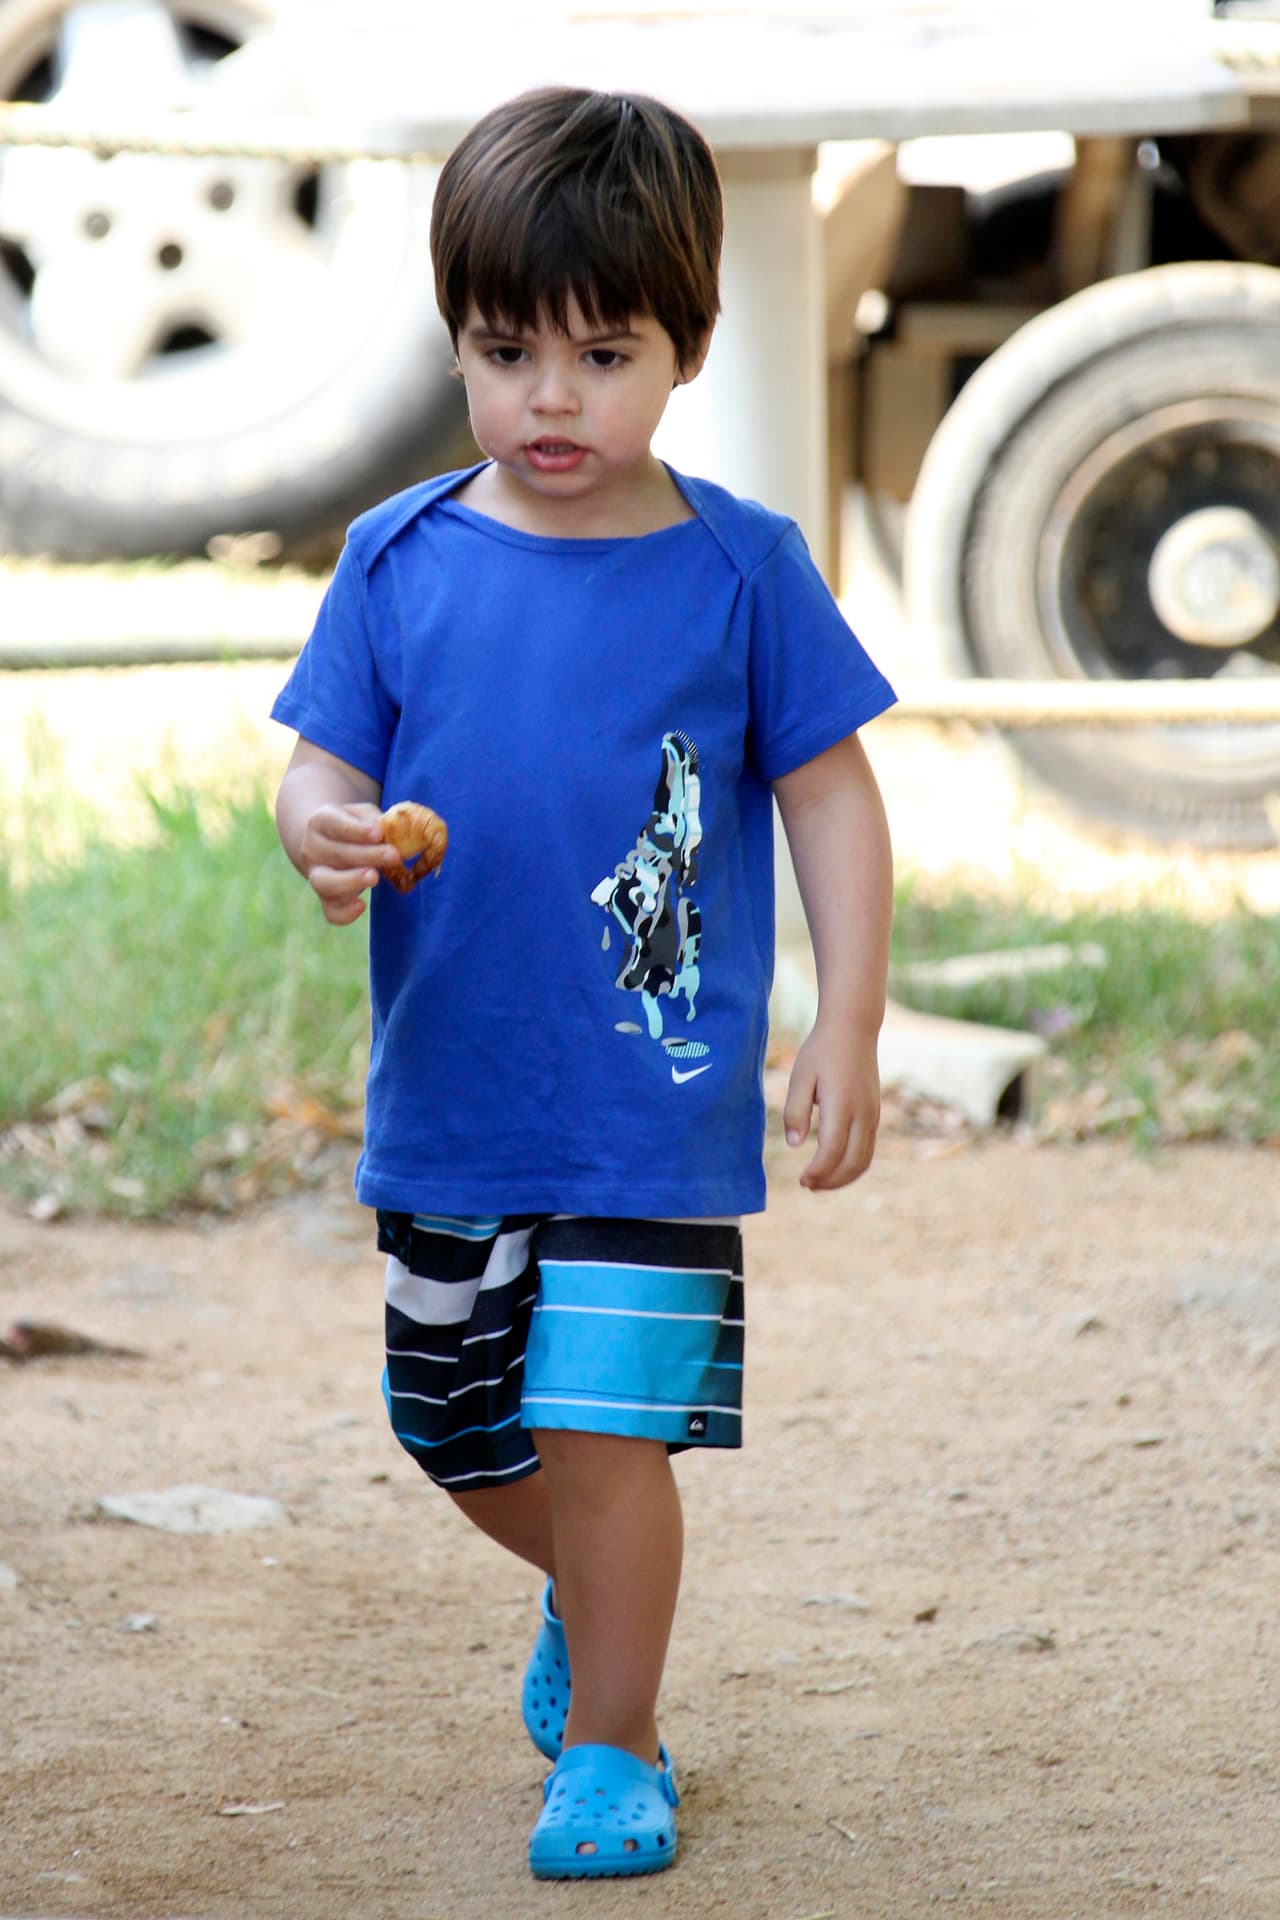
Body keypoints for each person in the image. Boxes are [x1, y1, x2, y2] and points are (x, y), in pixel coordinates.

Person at [272, 84, 895, 1882]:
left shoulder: (739, 572)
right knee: (454, 1422)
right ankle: (590, 1593)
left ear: (689, 347)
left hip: (652, 1098)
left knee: (599, 1422)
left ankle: (616, 1739)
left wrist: (843, 1014)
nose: (552, 398)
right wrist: (325, 827)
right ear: (455, 344)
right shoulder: (398, 558)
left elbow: (832, 792)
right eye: (504, 351)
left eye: (602, 353)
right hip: (456, 1092)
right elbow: (319, 761)